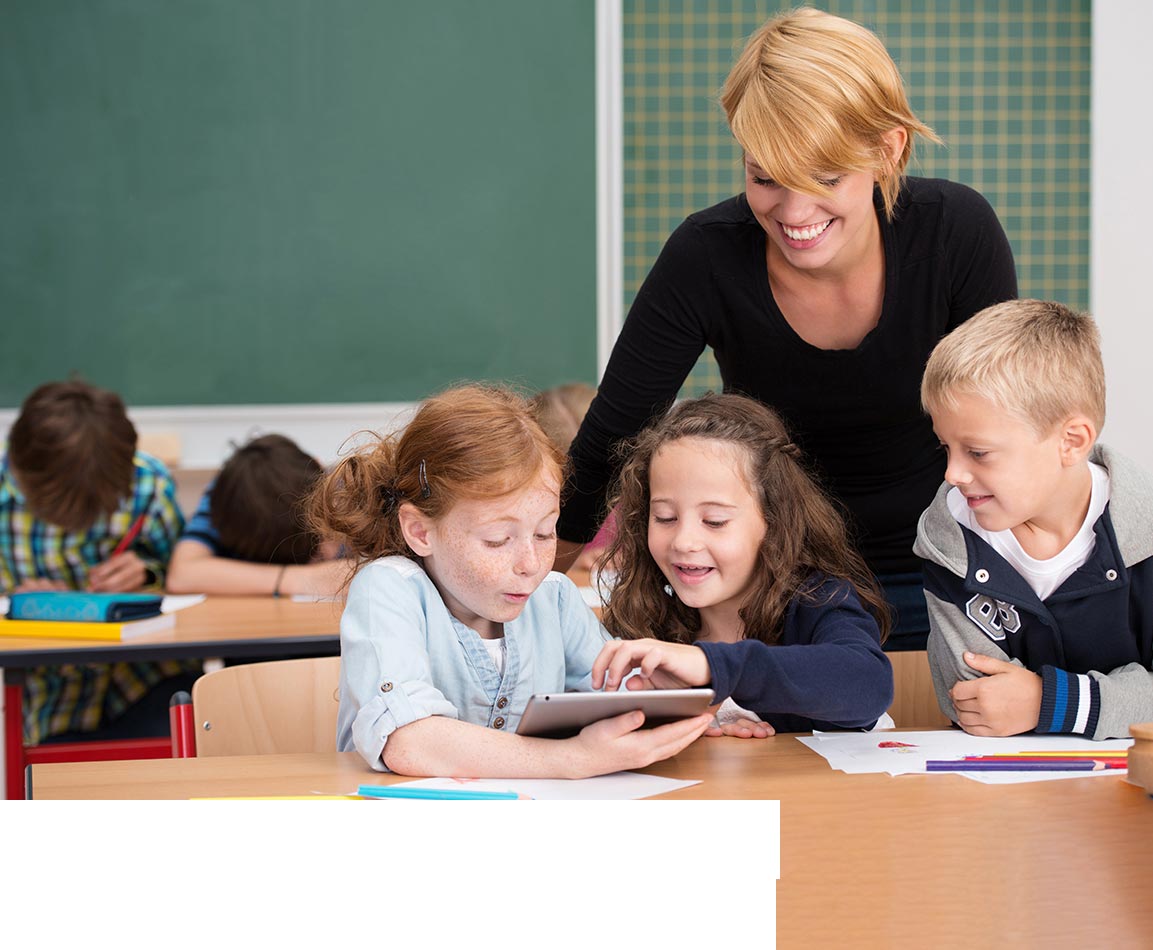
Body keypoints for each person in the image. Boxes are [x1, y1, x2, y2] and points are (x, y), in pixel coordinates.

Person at [558, 8, 1018, 652]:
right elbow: (613, 434)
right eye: (765, 178)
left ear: (888, 150)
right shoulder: (706, 254)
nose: (794, 213)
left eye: (825, 179)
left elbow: (1005, 428)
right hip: (782, 588)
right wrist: (535, 591)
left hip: (946, 573)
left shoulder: (955, 232)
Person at [307, 383, 711, 777]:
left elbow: (624, 701)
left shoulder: (553, 599)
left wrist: (686, 714)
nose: (531, 564)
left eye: (545, 533)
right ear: (420, 531)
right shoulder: (388, 590)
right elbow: (409, 742)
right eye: (498, 540)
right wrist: (571, 759)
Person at [916, 300, 1153, 740]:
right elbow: (975, 703)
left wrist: (1049, 701)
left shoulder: (1147, 536)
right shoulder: (949, 542)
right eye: (945, 448)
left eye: (978, 452)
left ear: (1071, 442)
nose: (953, 474)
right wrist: (1122, 698)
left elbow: (1019, 707)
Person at [592, 394, 893, 736]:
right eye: (665, 517)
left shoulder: (818, 599)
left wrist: (714, 667)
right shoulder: (646, 615)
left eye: (715, 521)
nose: (683, 541)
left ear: (774, 523)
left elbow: (869, 685)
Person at [0, 380, 196, 745]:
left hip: (146, 678)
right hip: (53, 695)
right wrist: (19, 603)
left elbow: (187, 577)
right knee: (58, 784)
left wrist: (147, 572)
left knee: (179, 748)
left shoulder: (146, 482)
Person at [166, 433, 350, 597]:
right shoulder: (231, 496)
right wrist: (302, 579)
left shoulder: (347, 489)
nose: (329, 551)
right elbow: (182, 574)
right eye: (318, 546)